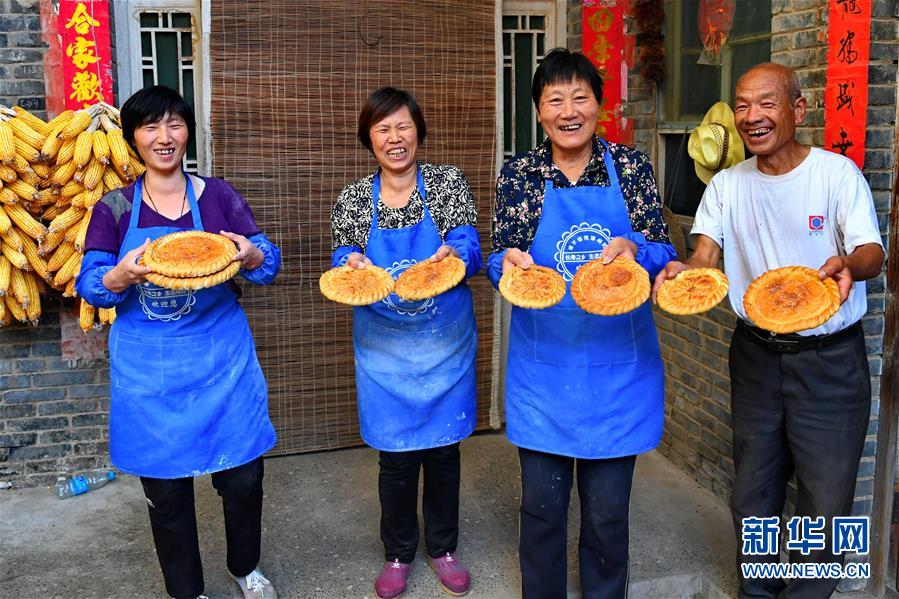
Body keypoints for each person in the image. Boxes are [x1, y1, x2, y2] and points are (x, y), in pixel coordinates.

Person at [652, 63, 885, 599]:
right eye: (741, 105)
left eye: (766, 103)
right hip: (756, 355)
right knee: (753, 493)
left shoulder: (835, 175)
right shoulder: (727, 186)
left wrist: (850, 264)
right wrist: (686, 273)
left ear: (797, 109)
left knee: (825, 500)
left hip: (829, 360)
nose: (751, 116)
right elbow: (705, 256)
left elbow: (872, 251)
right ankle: (757, 593)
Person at [75, 86, 281, 599]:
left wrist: (253, 255)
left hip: (221, 363)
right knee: (166, 493)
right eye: (150, 127)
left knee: (243, 480)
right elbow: (91, 284)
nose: (164, 137)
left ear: (188, 131)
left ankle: (245, 568)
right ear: (133, 138)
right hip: (151, 373)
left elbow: (267, 262)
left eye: (174, 124)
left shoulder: (218, 197)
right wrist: (121, 276)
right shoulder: (114, 208)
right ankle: (187, 591)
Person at [487, 48, 675, 598]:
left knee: (608, 515)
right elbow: (501, 256)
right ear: (539, 111)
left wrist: (636, 250)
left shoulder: (631, 167)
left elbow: (663, 249)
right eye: (555, 100)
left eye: (580, 97)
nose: (569, 111)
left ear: (598, 104)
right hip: (544, 371)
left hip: (619, 370)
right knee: (542, 510)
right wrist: (506, 264)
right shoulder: (520, 174)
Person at [330, 86, 481, 599]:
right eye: (383, 129)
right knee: (395, 458)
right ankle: (397, 553)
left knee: (443, 453)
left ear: (418, 131)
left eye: (403, 126)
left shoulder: (445, 183)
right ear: (369, 138)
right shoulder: (354, 198)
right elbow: (343, 258)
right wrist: (351, 263)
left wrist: (454, 254)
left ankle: (443, 548)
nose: (395, 138)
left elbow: (468, 244)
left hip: (444, 343)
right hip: (384, 350)